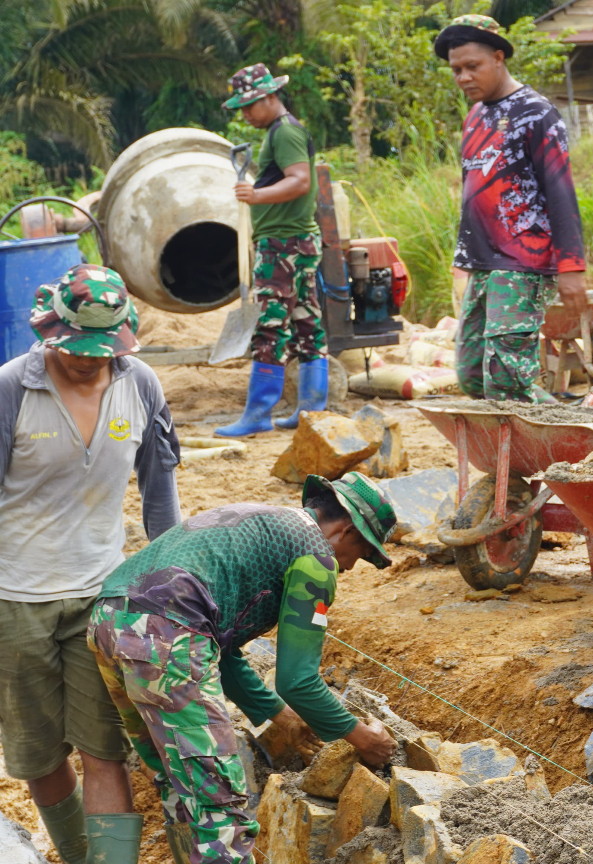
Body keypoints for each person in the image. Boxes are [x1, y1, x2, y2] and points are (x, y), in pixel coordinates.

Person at [88, 471, 398, 864]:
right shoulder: (316, 557)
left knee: (180, 781)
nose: (352, 568)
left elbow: (222, 650)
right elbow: (297, 680)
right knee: (222, 810)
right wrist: (363, 738)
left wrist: (280, 717)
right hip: (167, 634)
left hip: (109, 620)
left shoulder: (264, 520)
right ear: (347, 530)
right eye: (363, 553)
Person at [0, 264, 181, 864]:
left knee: (104, 748)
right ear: (53, 331)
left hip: (101, 595)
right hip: (13, 598)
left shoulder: (141, 385)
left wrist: (171, 585)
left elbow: (159, 498)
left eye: (98, 353)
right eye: (75, 349)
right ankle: (78, 855)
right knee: (41, 753)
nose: (85, 361)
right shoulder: (11, 389)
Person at [434, 14, 588, 403]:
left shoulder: (536, 113)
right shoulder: (476, 116)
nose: (464, 77)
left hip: (522, 263)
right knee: (471, 374)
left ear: (499, 57)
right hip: (482, 263)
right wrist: (462, 256)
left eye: (473, 66)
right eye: (456, 70)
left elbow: (560, 191)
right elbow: (472, 192)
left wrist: (571, 266)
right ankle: (565, 423)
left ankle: (559, 443)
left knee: (506, 379)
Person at [216, 62, 328, 436]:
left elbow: (299, 181)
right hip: (296, 240)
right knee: (306, 323)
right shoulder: (282, 132)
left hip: (285, 244)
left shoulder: (284, 134)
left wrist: (256, 195)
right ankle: (313, 412)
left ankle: (258, 415)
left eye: (249, 106)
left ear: (268, 97)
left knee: (270, 325)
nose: (245, 114)